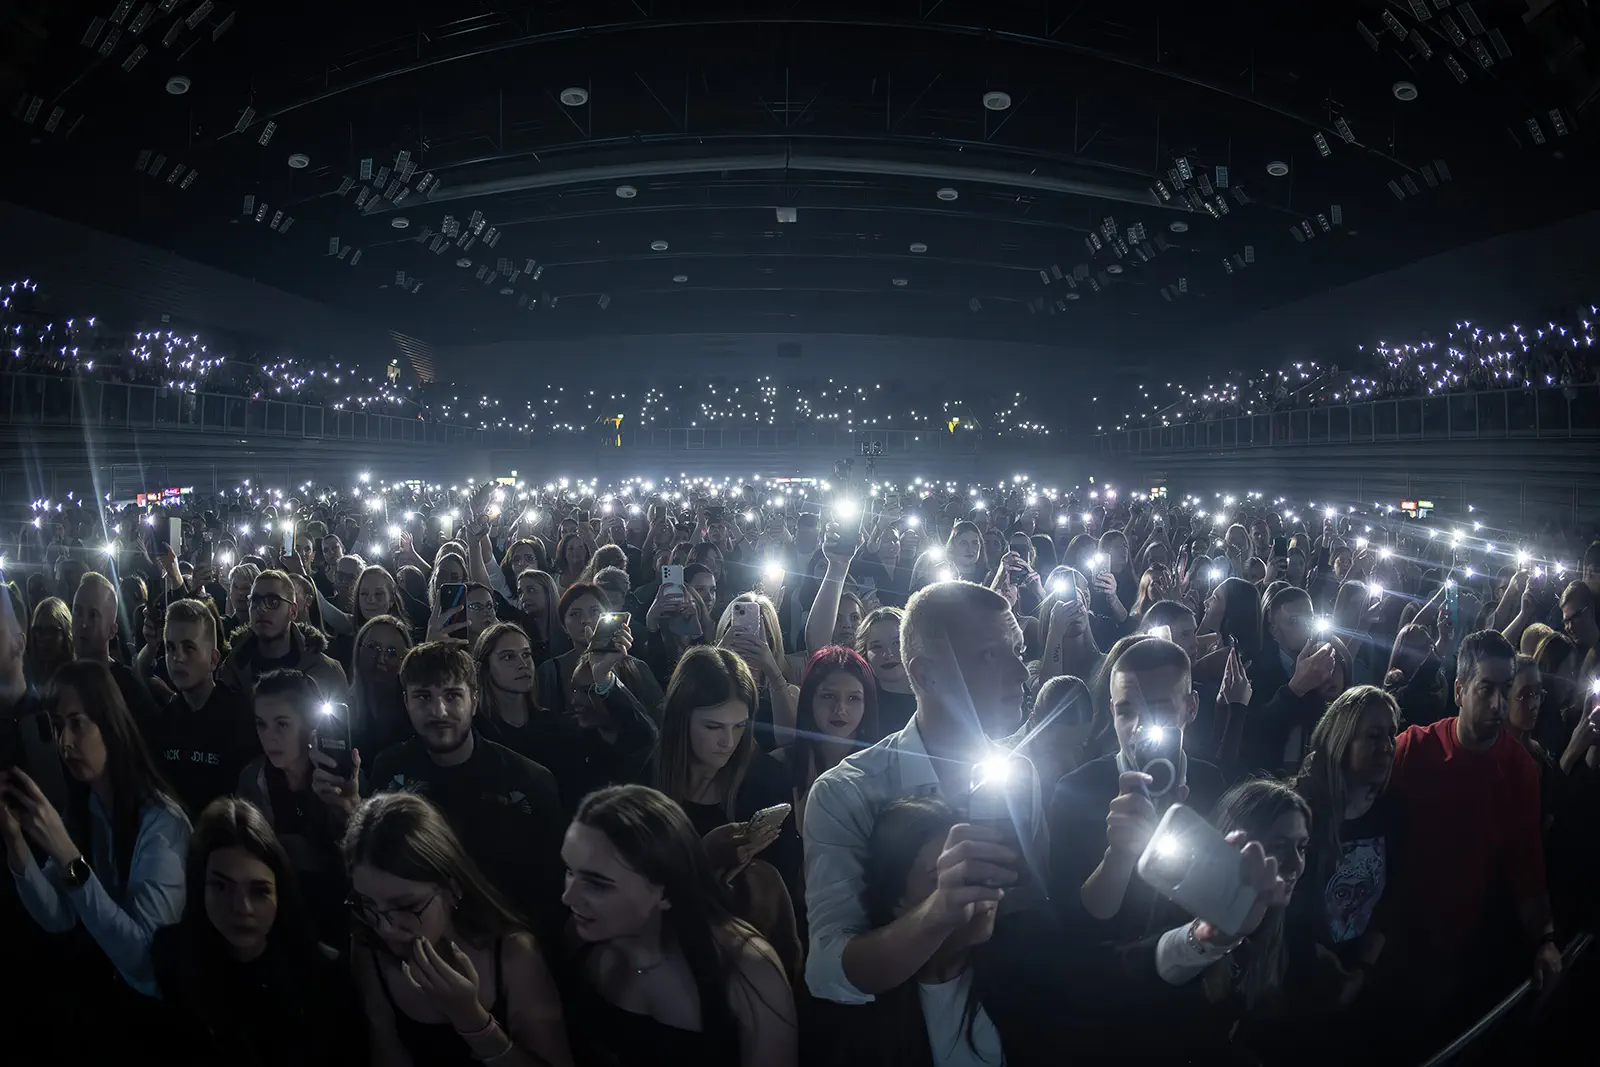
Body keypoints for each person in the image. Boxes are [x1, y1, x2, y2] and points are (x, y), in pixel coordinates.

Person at [803, 580, 1041, 1005]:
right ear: (925, 674)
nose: (1021, 673)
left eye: (1019, 651)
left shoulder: (1019, 774)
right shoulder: (847, 793)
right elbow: (826, 971)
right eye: (991, 655)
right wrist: (939, 912)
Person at [1384, 630, 1561, 1037]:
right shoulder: (1413, 749)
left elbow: (1526, 863)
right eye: (1486, 690)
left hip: (1465, 946)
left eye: (1505, 690)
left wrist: (1545, 939)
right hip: (1395, 940)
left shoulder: (1519, 770)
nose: (1499, 705)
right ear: (1460, 690)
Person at [558, 783, 798, 1067]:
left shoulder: (747, 969)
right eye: (571, 872)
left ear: (664, 889)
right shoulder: (583, 938)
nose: (568, 897)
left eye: (598, 884)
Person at [1, 661, 190, 1007]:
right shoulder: (87, 807)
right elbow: (57, 916)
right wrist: (16, 844)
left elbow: (144, 959)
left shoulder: (163, 825)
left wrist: (68, 856)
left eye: (77, 724)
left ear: (110, 725)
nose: (64, 742)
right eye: (57, 727)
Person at [345, 791, 574, 1067]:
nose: (386, 927)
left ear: (451, 889)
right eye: (367, 903)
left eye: (406, 906)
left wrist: (472, 1020)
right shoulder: (369, 948)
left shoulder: (513, 953)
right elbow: (388, 1053)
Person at [366, 641, 567, 935]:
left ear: (474, 700)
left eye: (452, 695)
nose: (439, 710)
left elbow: (553, 891)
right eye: (423, 696)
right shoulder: (389, 770)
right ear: (406, 702)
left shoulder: (529, 781)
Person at [152, 796, 363, 1066]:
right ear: (198, 886)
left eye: (259, 890)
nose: (242, 907)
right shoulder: (171, 955)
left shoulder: (324, 976)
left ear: (280, 890)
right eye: (222, 887)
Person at [1048, 637, 1227, 945]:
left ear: (1191, 707)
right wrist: (1118, 856)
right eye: (1126, 712)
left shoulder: (1212, 784)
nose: (1140, 727)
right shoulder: (1074, 792)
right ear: (1111, 711)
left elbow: (1218, 902)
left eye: (1159, 710)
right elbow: (1074, 924)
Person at [1139, 780, 1308, 1062]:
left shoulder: (1284, 916)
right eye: (1279, 846)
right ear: (1236, 844)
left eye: (1302, 847)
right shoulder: (1175, 906)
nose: (1296, 864)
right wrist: (1217, 937)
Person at [652, 647, 800, 894]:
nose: (728, 742)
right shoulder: (645, 778)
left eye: (739, 726)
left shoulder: (768, 782)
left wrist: (751, 871)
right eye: (713, 727)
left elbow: (784, 889)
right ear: (680, 719)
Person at [473, 621, 658, 815]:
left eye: (526, 654)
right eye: (508, 656)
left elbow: (642, 737)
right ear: (484, 667)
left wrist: (603, 678)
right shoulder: (477, 733)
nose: (523, 664)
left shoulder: (560, 728)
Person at [1292, 686, 1399, 998]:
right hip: (1297, 976)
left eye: (1391, 735)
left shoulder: (1392, 814)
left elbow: (1390, 902)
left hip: (1359, 976)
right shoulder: (1301, 813)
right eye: (1373, 736)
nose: (1387, 747)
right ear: (1342, 741)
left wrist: (1362, 970)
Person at [235, 669, 356, 943]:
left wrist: (349, 811)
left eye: (282, 724)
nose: (270, 736)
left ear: (309, 725)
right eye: (261, 724)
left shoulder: (339, 777)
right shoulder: (254, 780)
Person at [142, 598, 253, 816]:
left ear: (213, 660)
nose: (177, 658)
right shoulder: (164, 722)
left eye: (189, 648)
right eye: (170, 647)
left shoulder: (238, 717)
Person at [772, 646, 878, 836]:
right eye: (828, 696)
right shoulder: (777, 766)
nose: (840, 709)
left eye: (854, 698)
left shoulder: (882, 768)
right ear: (809, 699)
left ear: (867, 705)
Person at [538, 583, 664, 717]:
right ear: (563, 626)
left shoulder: (636, 667)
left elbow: (658, 719)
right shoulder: (549, 672)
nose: (585, 620)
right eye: (575, 614)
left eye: (595, 611)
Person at [219, 570, 347, 700]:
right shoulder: (233, 668)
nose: (261, 609)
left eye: (273, 602)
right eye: (255, 601)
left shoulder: (323, 671)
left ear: (293, 611)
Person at [71, 571, 158, 722]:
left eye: (93, 615)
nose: (83, 623)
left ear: (112, 631)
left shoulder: (129, 690)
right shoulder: (63, 681)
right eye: (77, 611)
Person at [26, 595, 73, 686]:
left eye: (52, 631)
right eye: (39, 630)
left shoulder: (78, 679)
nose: (45, 638)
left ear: (66, 631)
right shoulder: (30, 678)